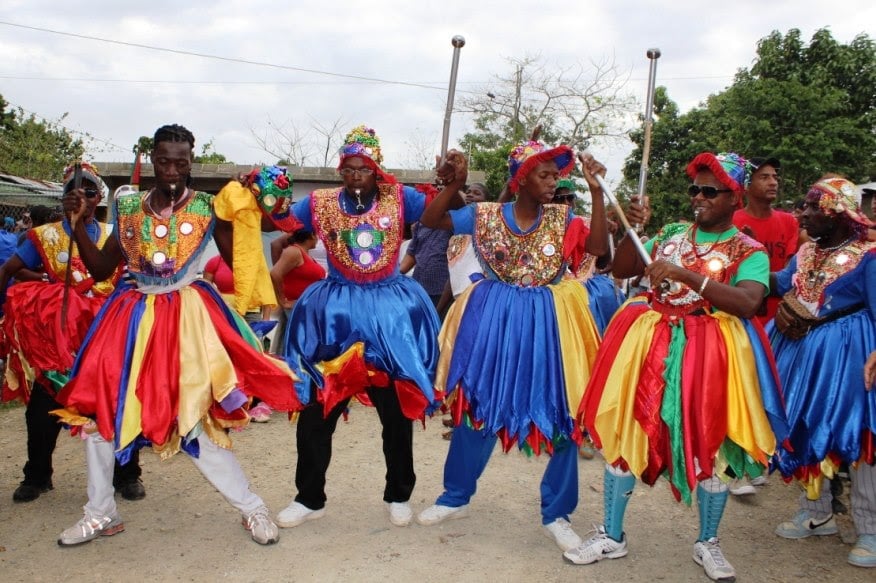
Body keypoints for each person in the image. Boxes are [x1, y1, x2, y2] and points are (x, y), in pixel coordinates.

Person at [53, 124, 300, 546]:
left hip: (186, 320)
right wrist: (78, 223)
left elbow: (238, 259)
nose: (172, 170)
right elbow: (98, 270)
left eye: (181, 162)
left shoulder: (207, 206)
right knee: (100, 415)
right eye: (164, 161)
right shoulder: (128, 204)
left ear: (191, 161)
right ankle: (100, 512)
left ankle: (251, 507)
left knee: (194, 419)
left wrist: (248, 205)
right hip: (127, 320)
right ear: (152, 159)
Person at [568, 152, 788, 582]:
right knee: (627, 431)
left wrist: (688, 277)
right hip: (649, 343)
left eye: (710, 191)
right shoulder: (670, 233)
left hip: (711, 354)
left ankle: (707, 541)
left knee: (712, 444)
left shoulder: (749, 249)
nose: (698, 198)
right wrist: (639, 233)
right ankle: (611, 535)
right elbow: (624, 268)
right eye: (695, 189)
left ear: (733, 197)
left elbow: (747, 302)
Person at [416, 141, 610, 554]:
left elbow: (598, 251)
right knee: (478, 408)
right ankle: (455, 497)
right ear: (521, 178)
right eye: (545, 174)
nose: (553, 182)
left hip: (546, 324)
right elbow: (432, 219)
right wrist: (456, 185)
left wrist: (595, 191)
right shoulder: (484, 214)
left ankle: (556, 513)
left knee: (559, 413)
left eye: (557, 176)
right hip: (493, 319)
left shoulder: (564, 219)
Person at [278, 125, 453, 529]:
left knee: (395, 414)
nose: (356, 175)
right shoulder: (320, 202)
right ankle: (309, 497)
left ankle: (399, 494)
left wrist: (451, 182)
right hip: (336, 316)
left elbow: (437, 214)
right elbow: (285, 220)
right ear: (341, 170)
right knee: (317, 411)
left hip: (387, 316)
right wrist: (268, 193)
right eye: (349, 168)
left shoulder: (401, 197)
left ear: (376, 170)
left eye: (364, 168)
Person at [0, 162, 145, 503]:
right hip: (60, 341)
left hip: (107, 335)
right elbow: (10, 268)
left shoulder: (116, 234)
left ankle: (127, 475)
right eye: (73, 191)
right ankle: (37, 475)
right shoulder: (45, 235)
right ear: (63, 198)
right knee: (43, 408)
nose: (81, 197)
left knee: (117, 404)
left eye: (90, 191)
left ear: (100, 198)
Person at [769, 176, 876, 569]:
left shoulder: (869, 256)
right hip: (801, 354)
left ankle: (870, 528)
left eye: (813, 208)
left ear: (836, 213)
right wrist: (735, 270)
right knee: (805, 430)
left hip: (853, 359)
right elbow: (779, 283)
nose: (803, 213)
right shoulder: (805, 253)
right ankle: (816, 512)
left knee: (859, 437)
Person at [732, 157, 797, 324]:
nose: (773, 182)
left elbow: (790, 274)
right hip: (739, 317)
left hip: (778, 320)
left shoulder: (789, 222)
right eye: (764, 177)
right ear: (746, 185)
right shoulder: (731, 222)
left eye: (775, 177)